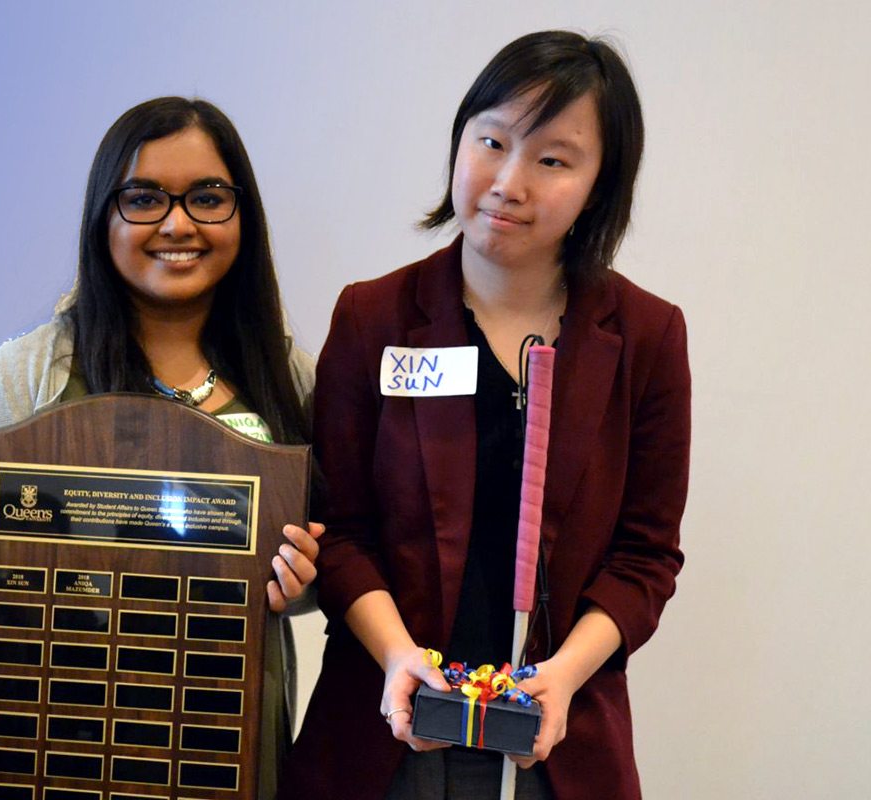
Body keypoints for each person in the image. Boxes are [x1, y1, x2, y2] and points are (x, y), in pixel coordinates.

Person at [280, 31, 690, 800]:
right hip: (382, 732)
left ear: (601, 184)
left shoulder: (646, 337)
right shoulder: (373, 317)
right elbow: (338, 529)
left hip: (557, 743)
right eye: (492, 142)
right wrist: (398, 655)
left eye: (553, 160)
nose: (508, 183)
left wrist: (564, 675)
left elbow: (645, 557)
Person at [0, 97, 324, 800]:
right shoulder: (27, 374)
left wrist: (304, 581)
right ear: (103, 216)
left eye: (207, 197)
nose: (177, 224)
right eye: (144, 198)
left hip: (228, 757)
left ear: (243, 216)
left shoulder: (288, 378)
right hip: (54, 750)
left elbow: (325, 569)